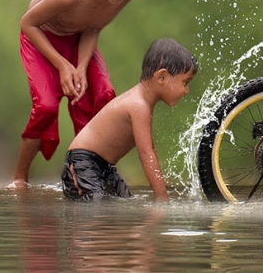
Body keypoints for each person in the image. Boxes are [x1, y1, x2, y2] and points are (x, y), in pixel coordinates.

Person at [10, 0, 143, 189]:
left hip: (79, 39)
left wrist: (81, 67)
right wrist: (61, 64)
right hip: (42, 40)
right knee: (47, 106)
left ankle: (90, 169)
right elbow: (27, 24)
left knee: (102, 94)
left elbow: (93, 27)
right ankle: (19, 178)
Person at [61, 38, 197, 202]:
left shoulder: (143, 105)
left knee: (124, 206)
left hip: (103, 167)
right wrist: (162, 198)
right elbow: (146, 154)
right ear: (162, 77)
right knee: (96, 211)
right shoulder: (139, 105)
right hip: (83, 164)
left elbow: (150, 150)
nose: (187, 91)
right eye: (185, 82)